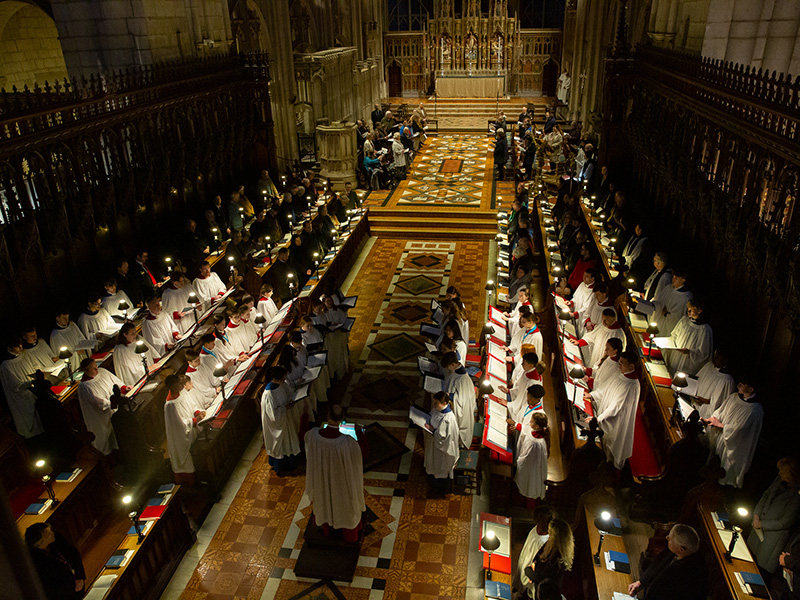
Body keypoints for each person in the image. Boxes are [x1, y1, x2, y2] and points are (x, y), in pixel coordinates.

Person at [304, 404, 366, 540]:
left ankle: (327, 529)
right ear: (342, 420)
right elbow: (361, 454)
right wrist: (359, 433)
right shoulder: (347, 442)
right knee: (344, 505)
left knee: (325, 501)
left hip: (322, 479)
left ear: (327, 417)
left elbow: (309, 450)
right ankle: (349, 534)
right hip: (342, 481)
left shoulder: (313, 435)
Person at [704, 374, 764, 488]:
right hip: (722, 438)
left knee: (722, 474)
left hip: (734, 445)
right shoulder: (733, 397)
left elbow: (740, 430)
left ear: (751, 389)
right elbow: (720, 411)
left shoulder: (755, 410)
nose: (738, 386)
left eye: (742, 385)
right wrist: (713, 419)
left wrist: (721, 425)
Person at [588, 350, 640, 470]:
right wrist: (593, 395)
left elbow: (616, 407)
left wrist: (599, 419)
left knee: (611, 446)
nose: (619, 364)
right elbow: (606, 388)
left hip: (616, 420)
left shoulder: (631, 385)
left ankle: (608, 471)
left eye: (622, 363)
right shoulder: (621, 374)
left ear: (631, 366)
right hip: (606, 415)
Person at [747, 458, 800, 574]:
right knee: (747, 557)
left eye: (783, 472)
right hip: (758, 531)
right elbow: (766, 495)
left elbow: (786, 521)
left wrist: (762, 524)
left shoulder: (797, 496)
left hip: (772, 539)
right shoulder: (779, 479)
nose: (780, 473)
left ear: (791, 475)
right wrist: (756, 515)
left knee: (759, 571)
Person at [627, 524, 707, 600]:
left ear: (681, 549)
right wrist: (641, 582)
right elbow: (657, 563)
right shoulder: (676, 550)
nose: (667, 537)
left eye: (671, 538)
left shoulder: (692, 576)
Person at [25, 522, 85, 599]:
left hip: (78, 582)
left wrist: (80, 577)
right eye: (48, 534)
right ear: (39, 543)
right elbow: (49, 586)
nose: (52, 533)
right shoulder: (34, 560)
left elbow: (74, 554)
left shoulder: (56, 537)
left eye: (51, 530)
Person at [163, 374, 204, 485]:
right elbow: (179, 427)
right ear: (172, 386)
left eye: (181, 383)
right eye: (178, 384)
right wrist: (195, 420)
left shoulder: (182, 392)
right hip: (181, 438)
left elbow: (192, 404)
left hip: (193, 429)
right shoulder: (170, 405)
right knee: (186, 461)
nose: (181, 385)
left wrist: (197, 412)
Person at [77, 358, 123, 455]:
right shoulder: (85, 386)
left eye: (96, 366)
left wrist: (123, 388)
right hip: (100, 416)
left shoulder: (102, 371)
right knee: (106, 437)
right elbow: (99, 402)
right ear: (86, 371)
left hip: (114, 407)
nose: (97, 370)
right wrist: (115, 402)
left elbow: (116, 381)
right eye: (93, 369)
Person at [261, 366, 301, 476]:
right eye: (282, 378)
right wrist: (285, 408)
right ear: (275, 378)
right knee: (281, 444)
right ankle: (281, 466)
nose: (284, 380)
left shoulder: (281, 384)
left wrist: (291, 399)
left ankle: (292, 462)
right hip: (278, 423)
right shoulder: (268, 394)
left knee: (290, 440)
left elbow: (288, 392)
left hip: (285, 418)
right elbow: (272, 415)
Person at [0, 336, 43, 438]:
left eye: (21, 345)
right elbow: (14, 385)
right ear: (9, 348)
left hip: (33, 388)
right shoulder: (6, 365)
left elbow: (34, 365)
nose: (21, 348)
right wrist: (29, 383)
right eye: (17, 346)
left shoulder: (24, 355)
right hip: (22, 394)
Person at [662, 300, 713, 376]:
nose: (688, 312)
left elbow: (704, 354)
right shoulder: (684, 320)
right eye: (688, 309)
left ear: (699, 311)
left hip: (688, 363)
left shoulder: (704, 329)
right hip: (676, 357)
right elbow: (674, 335)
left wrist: (689, 352)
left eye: (691, 310)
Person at [423, 391, 460, 495]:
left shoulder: (448, 419)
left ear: (444, 403)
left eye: (437, 403)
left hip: (442, 449)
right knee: (433, 463)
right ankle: (434, 481)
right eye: (434, 403)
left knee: (440, 467)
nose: (435, 405)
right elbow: (431, 416)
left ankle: (440, 489)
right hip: (434, 444)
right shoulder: (437, 410)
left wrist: (433, 430)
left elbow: (443, 437)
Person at [525, 518, 574, 593]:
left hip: (547, 590)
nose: (548, 531)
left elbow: (545, 578)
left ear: (555, 536)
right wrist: (534, 564)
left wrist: (529, 572)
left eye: (550, 531)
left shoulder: (559, 559)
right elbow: (539, 554)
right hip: (539, 579)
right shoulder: (551, 542)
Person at [513, 411, 550, 506]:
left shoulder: (535, 443)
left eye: (532, 421)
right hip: (534, 465)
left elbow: (527, 458)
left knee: (530, 485)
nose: (530, 422)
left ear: (537, 426)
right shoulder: (536, 434)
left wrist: (519, 461)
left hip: (531, 468)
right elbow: (526, 430)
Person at [517, 507, 556, 597]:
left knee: (526, 588)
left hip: (532, 568)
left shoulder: (545, 541)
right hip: (525, 558)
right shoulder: (536, 528)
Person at [442, 351, 475, 449]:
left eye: (448, 366)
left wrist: (450, 395)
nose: (448, 369)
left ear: (453, 364)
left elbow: (462, 400)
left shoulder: (462, 379)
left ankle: (458, 443)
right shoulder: (457, 372)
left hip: (462, 409)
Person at [692, 350, 736, 421]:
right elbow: (697, 380)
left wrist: (705, 401)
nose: (714, 359)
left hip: (705, 410)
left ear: (724, 361)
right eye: (714, 356)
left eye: (717, 358)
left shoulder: (727, 380)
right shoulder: (709, 366)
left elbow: (721, 402)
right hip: (694, 403)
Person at [652, 268, 692, 336]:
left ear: (683, 280)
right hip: (660, 320)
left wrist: (666, 314)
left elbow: (679, 315)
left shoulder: (685, 296)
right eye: (673, 277)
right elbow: (660, 301)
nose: (673, 280)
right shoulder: (669, 288)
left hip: (670, 326)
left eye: (676, 279)